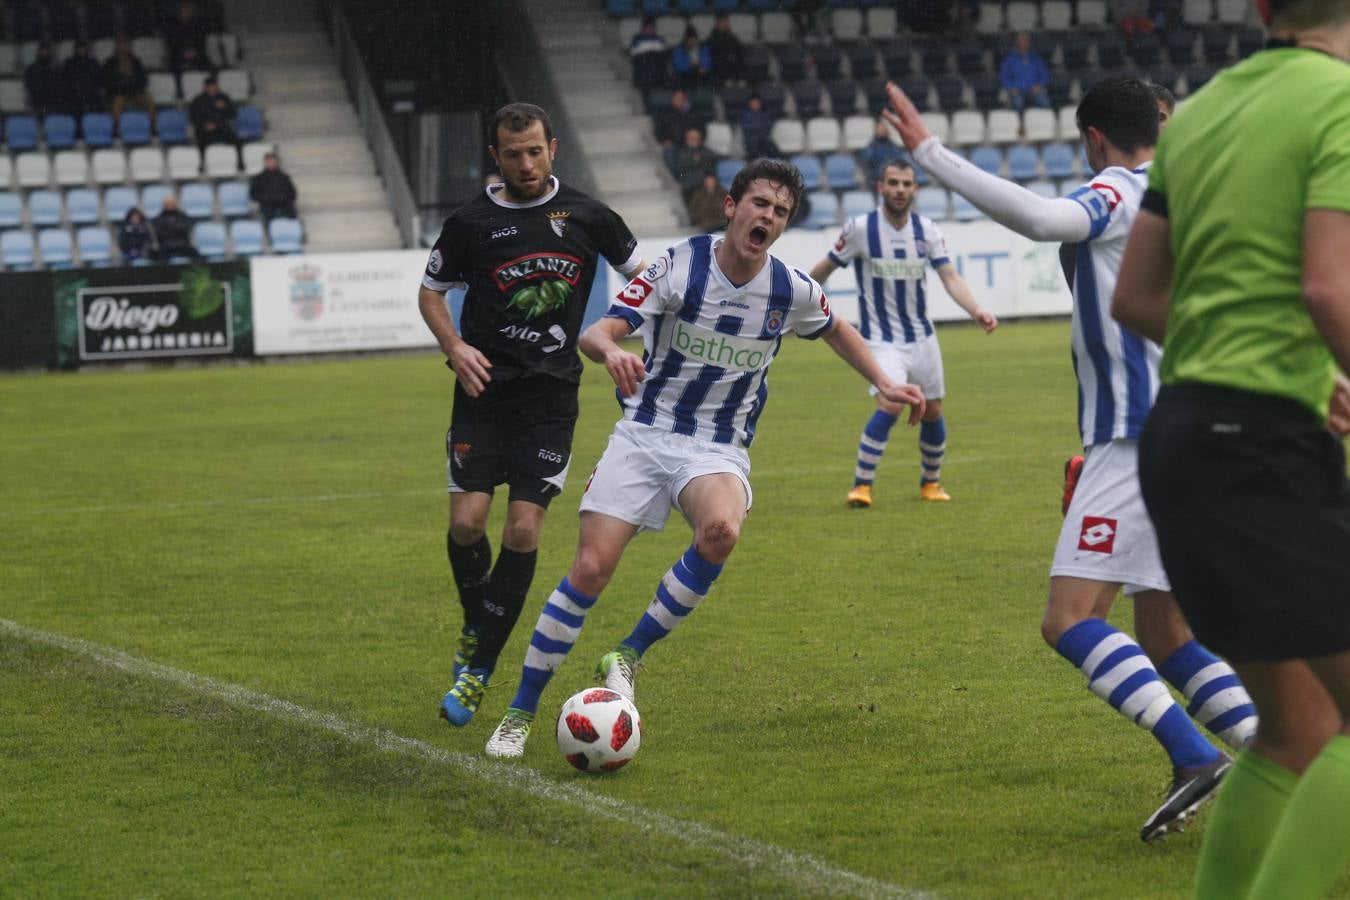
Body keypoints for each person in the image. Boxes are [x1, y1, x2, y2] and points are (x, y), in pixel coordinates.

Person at [882, 75, 1258, 842]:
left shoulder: (1120, 192)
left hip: (1138, 438)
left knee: (1068, 619)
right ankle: (1278, 764)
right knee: (1168, 633)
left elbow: (1043, 217)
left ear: (1091, 136)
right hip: (1197, 435)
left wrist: (931, 153)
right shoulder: (1192, 194)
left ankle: (1194, 756)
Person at [482, 158, 927, 758]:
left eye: (781, 211)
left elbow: (834, 326)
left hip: (716, 445)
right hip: (644, 432)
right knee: (590, 570)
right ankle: (519, 712)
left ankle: (627, 654)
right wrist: (609, 351)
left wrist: (882, 381)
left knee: (720, 531)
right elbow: (598, 332)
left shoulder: (788, 288)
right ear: (732, 207)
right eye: (760, 204)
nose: (768, 216)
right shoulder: (677, 265)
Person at [1112, 2, 1350, 894]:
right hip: (1262, 447)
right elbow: (1331, 286)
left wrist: (1261, 357)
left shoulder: (1202, 111)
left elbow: (1135, 296)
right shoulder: (1338, 102)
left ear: (1257, 6)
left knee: (1293, 731)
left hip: (1182, 437)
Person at [417, 103, 643, 728]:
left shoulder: (589, 216)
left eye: (535, 151)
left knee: (521, 531)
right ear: (496, 156)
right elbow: (430, 291)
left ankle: (478, 672)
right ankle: (476, 624)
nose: (525, 163)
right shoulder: (470, 223)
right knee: (467, 524)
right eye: (513, 153)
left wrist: (621, 336)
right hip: (483, 392)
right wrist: (455, 347)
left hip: (549, 398)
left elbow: (647, 279)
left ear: (554, 148)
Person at [809, 159, 996, 506]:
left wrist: (976, 309)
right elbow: (826, 266)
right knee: (891, 401)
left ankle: (930, 483)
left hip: (922, 338)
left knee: (933, 411)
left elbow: (950, 277)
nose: (899, 190)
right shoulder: (861, 229)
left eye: (906, 184)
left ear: (915, 189)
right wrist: (797, 293)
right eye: (893, 183)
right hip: (881, 339)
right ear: (880, 187)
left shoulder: (927, 230)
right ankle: (861, 486)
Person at [188, 76, 242, 168]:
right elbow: (192, 117)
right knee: (200, 142)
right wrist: (204, 125)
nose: (213, 89)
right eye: (210, 87)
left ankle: (240, 162)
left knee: (237, 141)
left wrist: (225, 107)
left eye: (214, 86)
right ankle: (202, 164)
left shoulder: (224, 98)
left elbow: (233, 114)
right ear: (205, 88)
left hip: (221, 128)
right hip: (204, 130)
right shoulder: (198, 100)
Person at [653, 88, 705, 174]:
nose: (677, 101)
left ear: (685, 100)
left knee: (700, 156)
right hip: (674, 145)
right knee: (669, 153)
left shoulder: (693, 113)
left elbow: (702, 130)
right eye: (675, 99)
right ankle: (678, 176)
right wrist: (664, 141)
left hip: (691, 145)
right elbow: (658, 130)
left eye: (679, 99)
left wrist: (698, 138)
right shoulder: (665, 113)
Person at [101, 37, 154, 121]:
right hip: (118, 93)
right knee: (118, 103)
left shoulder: (136, 62)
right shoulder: (110, 62)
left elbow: (143, 80)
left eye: (125, 46)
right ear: (116, 47)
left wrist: (133, 85)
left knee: (149, 101)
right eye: (120, 46)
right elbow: (106, 81)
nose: (123, 48)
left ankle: (153, 128)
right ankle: (117, 130)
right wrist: (120, 85)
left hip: (135, 92)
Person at [999, 32, 1052, 112]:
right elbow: (1003, 77)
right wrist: (1011, 87)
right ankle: (1020, 124)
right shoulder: (1009, 59)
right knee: (1018, 103)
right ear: (1017, 42)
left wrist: (1040, 85)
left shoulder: (1036, 58)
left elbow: (1044, 75)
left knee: (1045, 103)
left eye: (1026, 40)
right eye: (1021, 41)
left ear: (1029, 42)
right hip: (1017, 90)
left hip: (1034, 89)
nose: (1023, 43)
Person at [671, 127, 719, 199]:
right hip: (689, 185)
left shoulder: (706, 151)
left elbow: (713, 160)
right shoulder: (681, 152)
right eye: (691, 138)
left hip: (705, 184)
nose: (694, 140)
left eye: (696, 138)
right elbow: (682, 169)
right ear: (686, 139)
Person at [249, 151, 298, 222]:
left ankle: (294, 229)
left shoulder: (284, 177)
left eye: (273, 161)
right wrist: (265, 198)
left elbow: (292, 193)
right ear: (265, 162)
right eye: (269, 161)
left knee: (291, 210)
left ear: (277, 162)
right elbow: (253, 194)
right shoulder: (258, 178)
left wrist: (284, 198)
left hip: (283, 202)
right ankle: (269, 230)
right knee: (267, 211)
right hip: (267, 204)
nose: (271, 163)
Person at [62, 41, 104, 118]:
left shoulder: (92, 63)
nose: (81, 51)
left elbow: (98, 80)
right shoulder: (69, 63)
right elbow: (65, 81)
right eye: (80, 49)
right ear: (75, 50)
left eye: (83, 49)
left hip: (90, 96)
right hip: (74, 96)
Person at [153, 194, 200, 260]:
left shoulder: (182, 216)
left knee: (195, 254)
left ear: (175, 203)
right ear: (164, 205)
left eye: (171, 203)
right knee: (158, 256)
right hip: (167, 245)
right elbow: (160, 234)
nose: (169, 205)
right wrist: (175, 228)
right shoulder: (159, 218)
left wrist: (170, 229)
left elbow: (185, 229)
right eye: (167, 203)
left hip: (182, 243)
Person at [23, 42, 64, 118]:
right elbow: (29, 85)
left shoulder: (55, 68)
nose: (44, 53)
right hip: (37, 101)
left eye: (46, 51)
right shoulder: (31, 69)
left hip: (53, 102)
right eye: (42, 51)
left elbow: (59, 86)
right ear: (38, 52)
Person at [629, 16, 669, 91]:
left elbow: (664, 56)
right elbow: (634, 57)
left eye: (651, 27)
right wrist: (649, 54)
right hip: (643, 66)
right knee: (647, 61)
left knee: (656, 61)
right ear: (643, 28)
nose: (649, 29)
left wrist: (652, 54)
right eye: (648, 27)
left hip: (656, 66)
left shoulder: (659, 39)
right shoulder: (637, 39)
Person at [707, 13, 745, 86]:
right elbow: (713, 52)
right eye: (721, 22)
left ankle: (740, 80)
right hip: (719, 62)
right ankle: (727, 80)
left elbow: (739, 48)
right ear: (717, 24)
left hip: (732, 61)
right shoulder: (713, 37)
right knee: (722, 62)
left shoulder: (732, 37)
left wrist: (734, 55)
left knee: (739, 58)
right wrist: (726, 56)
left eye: (725, 22)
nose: (723, 24)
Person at [738, 92, 779, 159]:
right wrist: (758, 127)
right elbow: (747, 127)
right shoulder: (745, 115)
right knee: (754, 153)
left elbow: (769, 126)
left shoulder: (766, 114)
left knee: (773, 150)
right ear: (749, 104)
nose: (755, 105)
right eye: (752, 103)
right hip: (751, 142)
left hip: (764, 141)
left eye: (756, 103)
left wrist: (758, 127)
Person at [671, 25, 712, 90]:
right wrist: (689, 64)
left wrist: (703, 67)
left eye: (693, 39)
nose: (691, 41)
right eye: (689, 39)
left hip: (700, 73)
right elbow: (677, 66)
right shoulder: (680, 49)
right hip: (686, 74)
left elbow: (708, 62)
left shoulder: (702, 48)